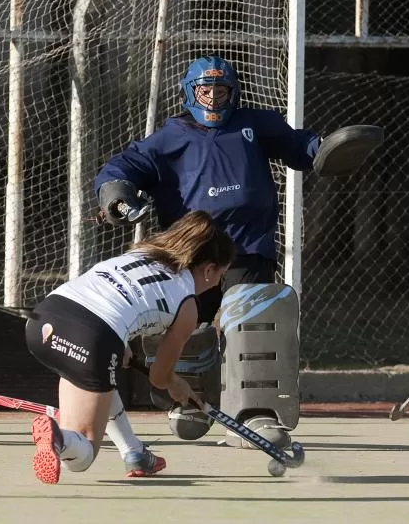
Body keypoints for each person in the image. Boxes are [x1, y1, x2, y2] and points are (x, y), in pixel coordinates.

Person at [93, 54, 324, 443]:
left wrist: (323, 148)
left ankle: (257, 414)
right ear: (190, 93)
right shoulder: (170, 136)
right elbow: (122, 167)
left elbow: (299, 145)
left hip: (248, 246)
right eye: (205, 90)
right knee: (190, 333)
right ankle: (191, 407)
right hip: (191, 253)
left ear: (233, 93)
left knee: (251, 329)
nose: (213, 98)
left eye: (221, 90)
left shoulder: (255, 124)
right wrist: (116, 196)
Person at [23, 210, 235, 484]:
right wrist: (176, 383)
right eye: (221, 275)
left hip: (43, 320)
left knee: (103, 377)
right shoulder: (188, 305)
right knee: (83, 454)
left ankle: (134, 452)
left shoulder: (141, 254)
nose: (218, 282)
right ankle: (59, 438)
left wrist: (114, 346)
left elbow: (115, 299)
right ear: (208, 270)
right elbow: (159, 377)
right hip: (92, 337)